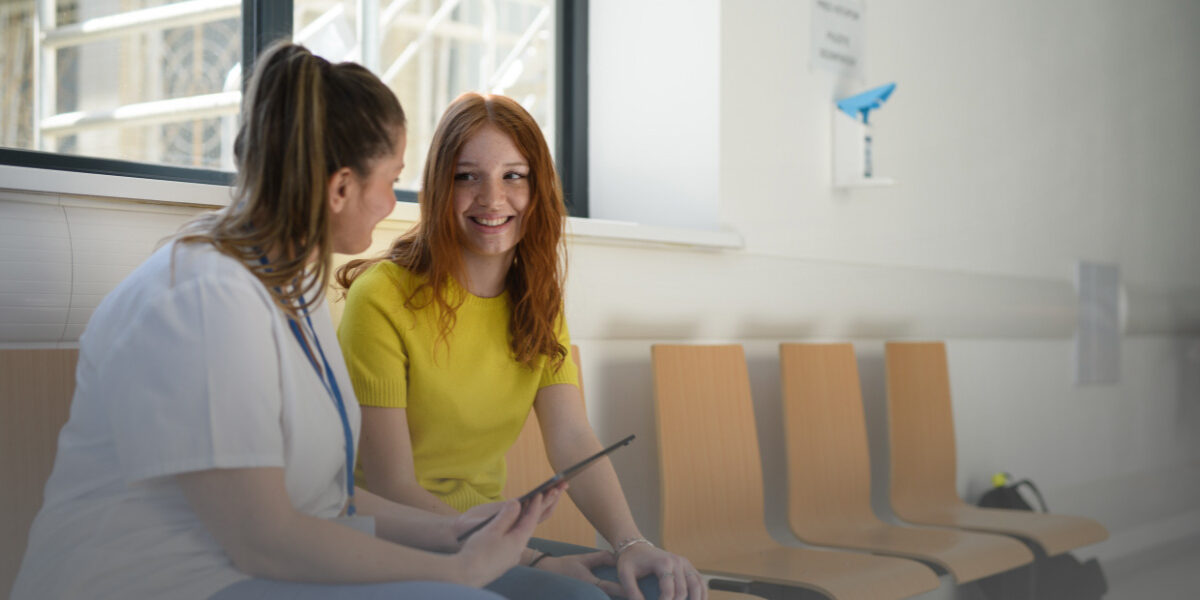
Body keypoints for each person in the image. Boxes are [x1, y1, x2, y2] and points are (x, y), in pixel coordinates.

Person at [10, 43, 565, 600]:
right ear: (342, 188)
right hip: (164, 584)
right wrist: (460, 571)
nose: (389, 204)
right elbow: (265, 538)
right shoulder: (204, 298)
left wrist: (459, 529)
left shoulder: (293, 293)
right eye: (389, 181)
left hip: (246, 573)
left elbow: (328, 500)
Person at [336, 92, 707, 600]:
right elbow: (391, 485)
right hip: (404, 538)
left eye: (514, 176)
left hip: (493, 534)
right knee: (582, 597)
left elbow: (572, 437)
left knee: (652, 584)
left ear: (539, 189)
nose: (492, 198)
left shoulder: (537, 301)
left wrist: (630, 543)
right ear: (439, 186)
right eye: (467, 176)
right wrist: (534, 558)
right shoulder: (381, 296)